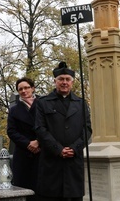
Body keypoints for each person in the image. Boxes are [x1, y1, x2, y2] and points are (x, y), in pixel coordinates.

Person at [35, 61, 92, 201]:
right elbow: (40, 129)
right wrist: (58, 149)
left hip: (74, 163)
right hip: (52, 163)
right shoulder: (43, 103)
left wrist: (74, 148)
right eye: (61, 79)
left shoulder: (81, 103)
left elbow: (87, 129)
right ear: (55, 81)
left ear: (72, 82)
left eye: (67, 79)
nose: (64, 82)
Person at [7, 77, 40, 201]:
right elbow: (11, 131)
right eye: (20, 89)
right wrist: (28, 144)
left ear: (32, 88)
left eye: (26, 87)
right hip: (23, 154)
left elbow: (51, 126)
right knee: (24, 190)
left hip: (42, 152)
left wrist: (39, 141)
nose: (24, 91)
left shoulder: (43, 105)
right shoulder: (14, 110)